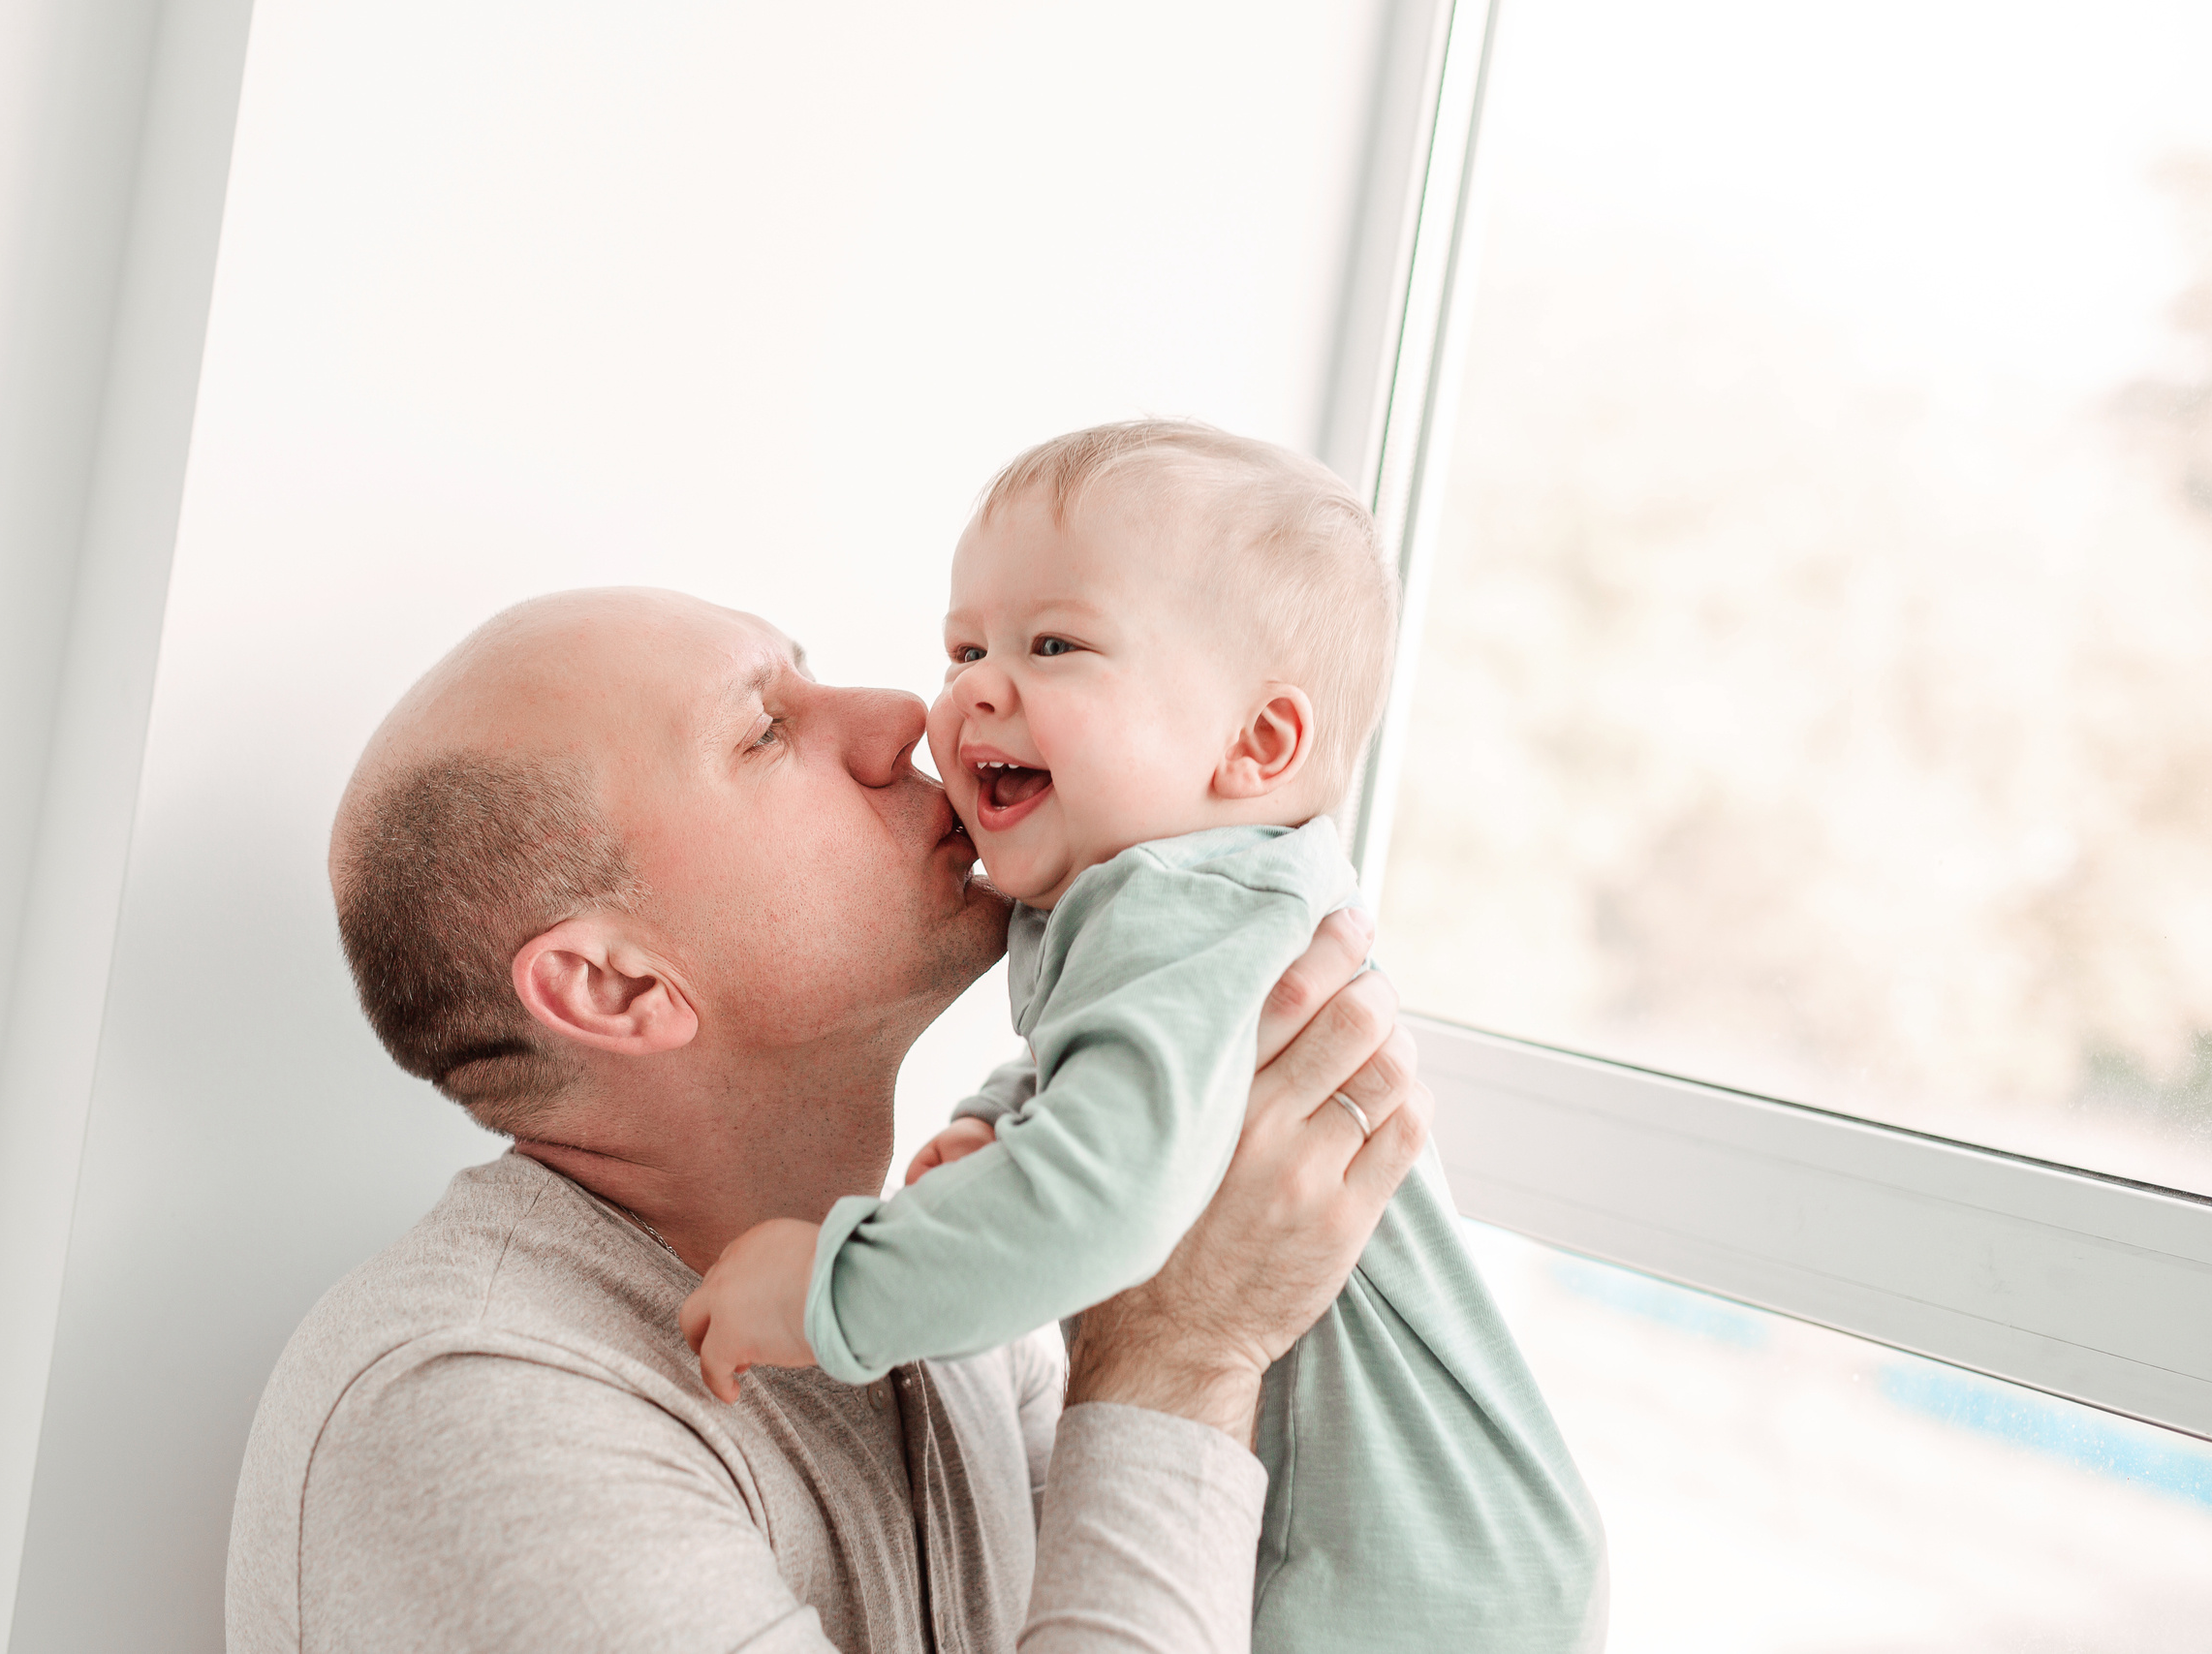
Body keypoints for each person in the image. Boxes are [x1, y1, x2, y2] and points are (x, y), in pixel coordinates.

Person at [227, 586, 1444, 1653]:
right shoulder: (473, 1416)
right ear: (616, 986)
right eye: (765, 732)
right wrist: (1181, 1356)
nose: (902, 716)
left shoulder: (949, 1304)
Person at [683, 422, 1605, 1652]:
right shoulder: (1201, 905)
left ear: (1256, 744)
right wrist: (1009, 1111)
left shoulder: (1171, 906)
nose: (967, 692)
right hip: (1461, 1547)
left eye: (1052, 645)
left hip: (1403, 1573)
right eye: (965, 646)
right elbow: (1156, 1077)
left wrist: (835, 1288)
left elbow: (1108, 1203)